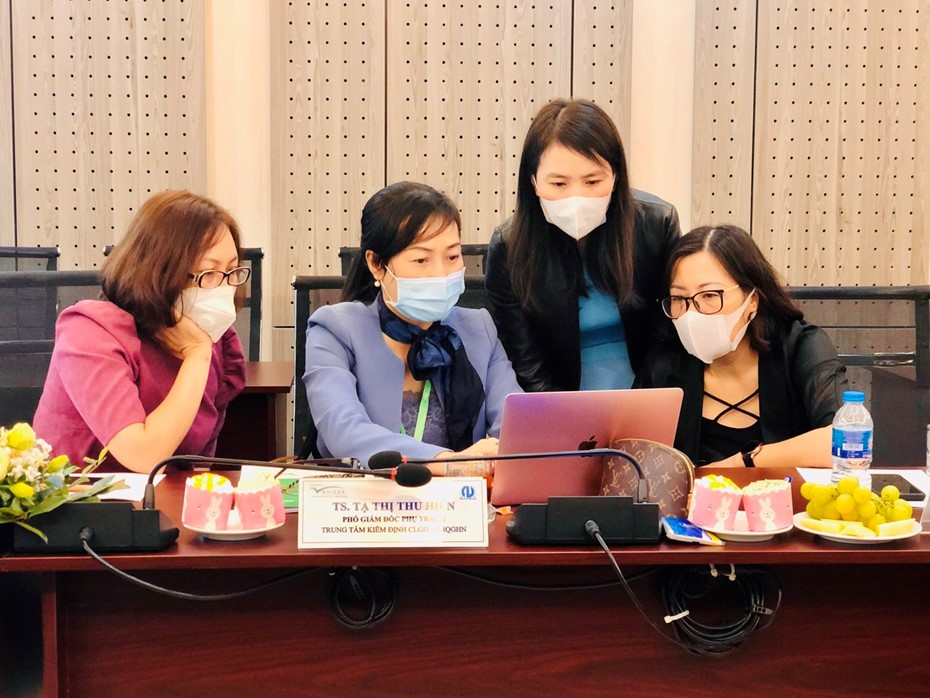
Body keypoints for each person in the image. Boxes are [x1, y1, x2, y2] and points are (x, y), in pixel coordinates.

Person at [304, 181, 522, 469]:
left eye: (452, 256)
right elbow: (343, 430)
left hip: (463, 494)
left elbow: (516, 424)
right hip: (361, 493)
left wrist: (501, 453)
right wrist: (448, 463)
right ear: (376, 264)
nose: (441, 273)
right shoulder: (335, 329)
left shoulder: (479, 329)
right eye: (421, 259)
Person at [33, 191, 248, 473]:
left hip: (166, 496)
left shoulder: (213, 341)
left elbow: (197, 464)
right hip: (80, 497)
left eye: (232, 271)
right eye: (209, 274)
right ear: (160, 272)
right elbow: (145, 456)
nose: (225, 288)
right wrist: (197, 356)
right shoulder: (90, 332)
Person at [485, 98, 681, 392]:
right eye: (558, 184)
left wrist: (643, 399)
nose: (576, 197)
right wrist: (562, 413)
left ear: (615, 177)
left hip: (647, 390)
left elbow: (669, 331)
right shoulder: (508, 246)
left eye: (592, 182)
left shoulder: (657, 224)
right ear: (534, 183)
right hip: (556, 401)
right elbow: (522, 358)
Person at [635, 224, 849, 468]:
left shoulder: (800, 346)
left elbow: (845, 439)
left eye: (710, 295)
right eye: (679, 298)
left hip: (792, 493)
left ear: (752, 299)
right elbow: (632, 459)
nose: (692, 313)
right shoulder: (664, 366)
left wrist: (743, 462)